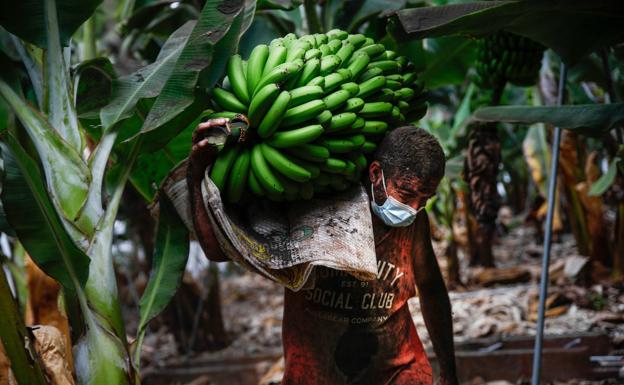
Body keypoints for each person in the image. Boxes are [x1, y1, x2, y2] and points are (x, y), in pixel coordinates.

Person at [188, 120, 458, 385]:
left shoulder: (414, 222)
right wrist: (197, 171)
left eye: (425, 199)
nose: (413, 208)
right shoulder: (315, 207)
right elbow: (216, 250)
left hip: (398, 370)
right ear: (376, 173)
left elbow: (431, 287)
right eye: (406, 193)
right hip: (315, 373)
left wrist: (448, 370)